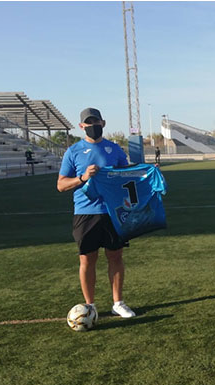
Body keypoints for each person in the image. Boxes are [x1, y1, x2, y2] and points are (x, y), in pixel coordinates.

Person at [56, 107, 136, 319]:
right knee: (87, 260)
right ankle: (90, 306)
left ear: (103, 123)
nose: (93, 126)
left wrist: (145, 173)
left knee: (115, 256)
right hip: (85, 212)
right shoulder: (73, 151)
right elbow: (61, 185)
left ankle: (118, 303)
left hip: (112, 211)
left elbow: (125, 177)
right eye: (88, 123)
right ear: (82, 126)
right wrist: (82, 177)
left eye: (96, 122)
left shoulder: (115, 149)